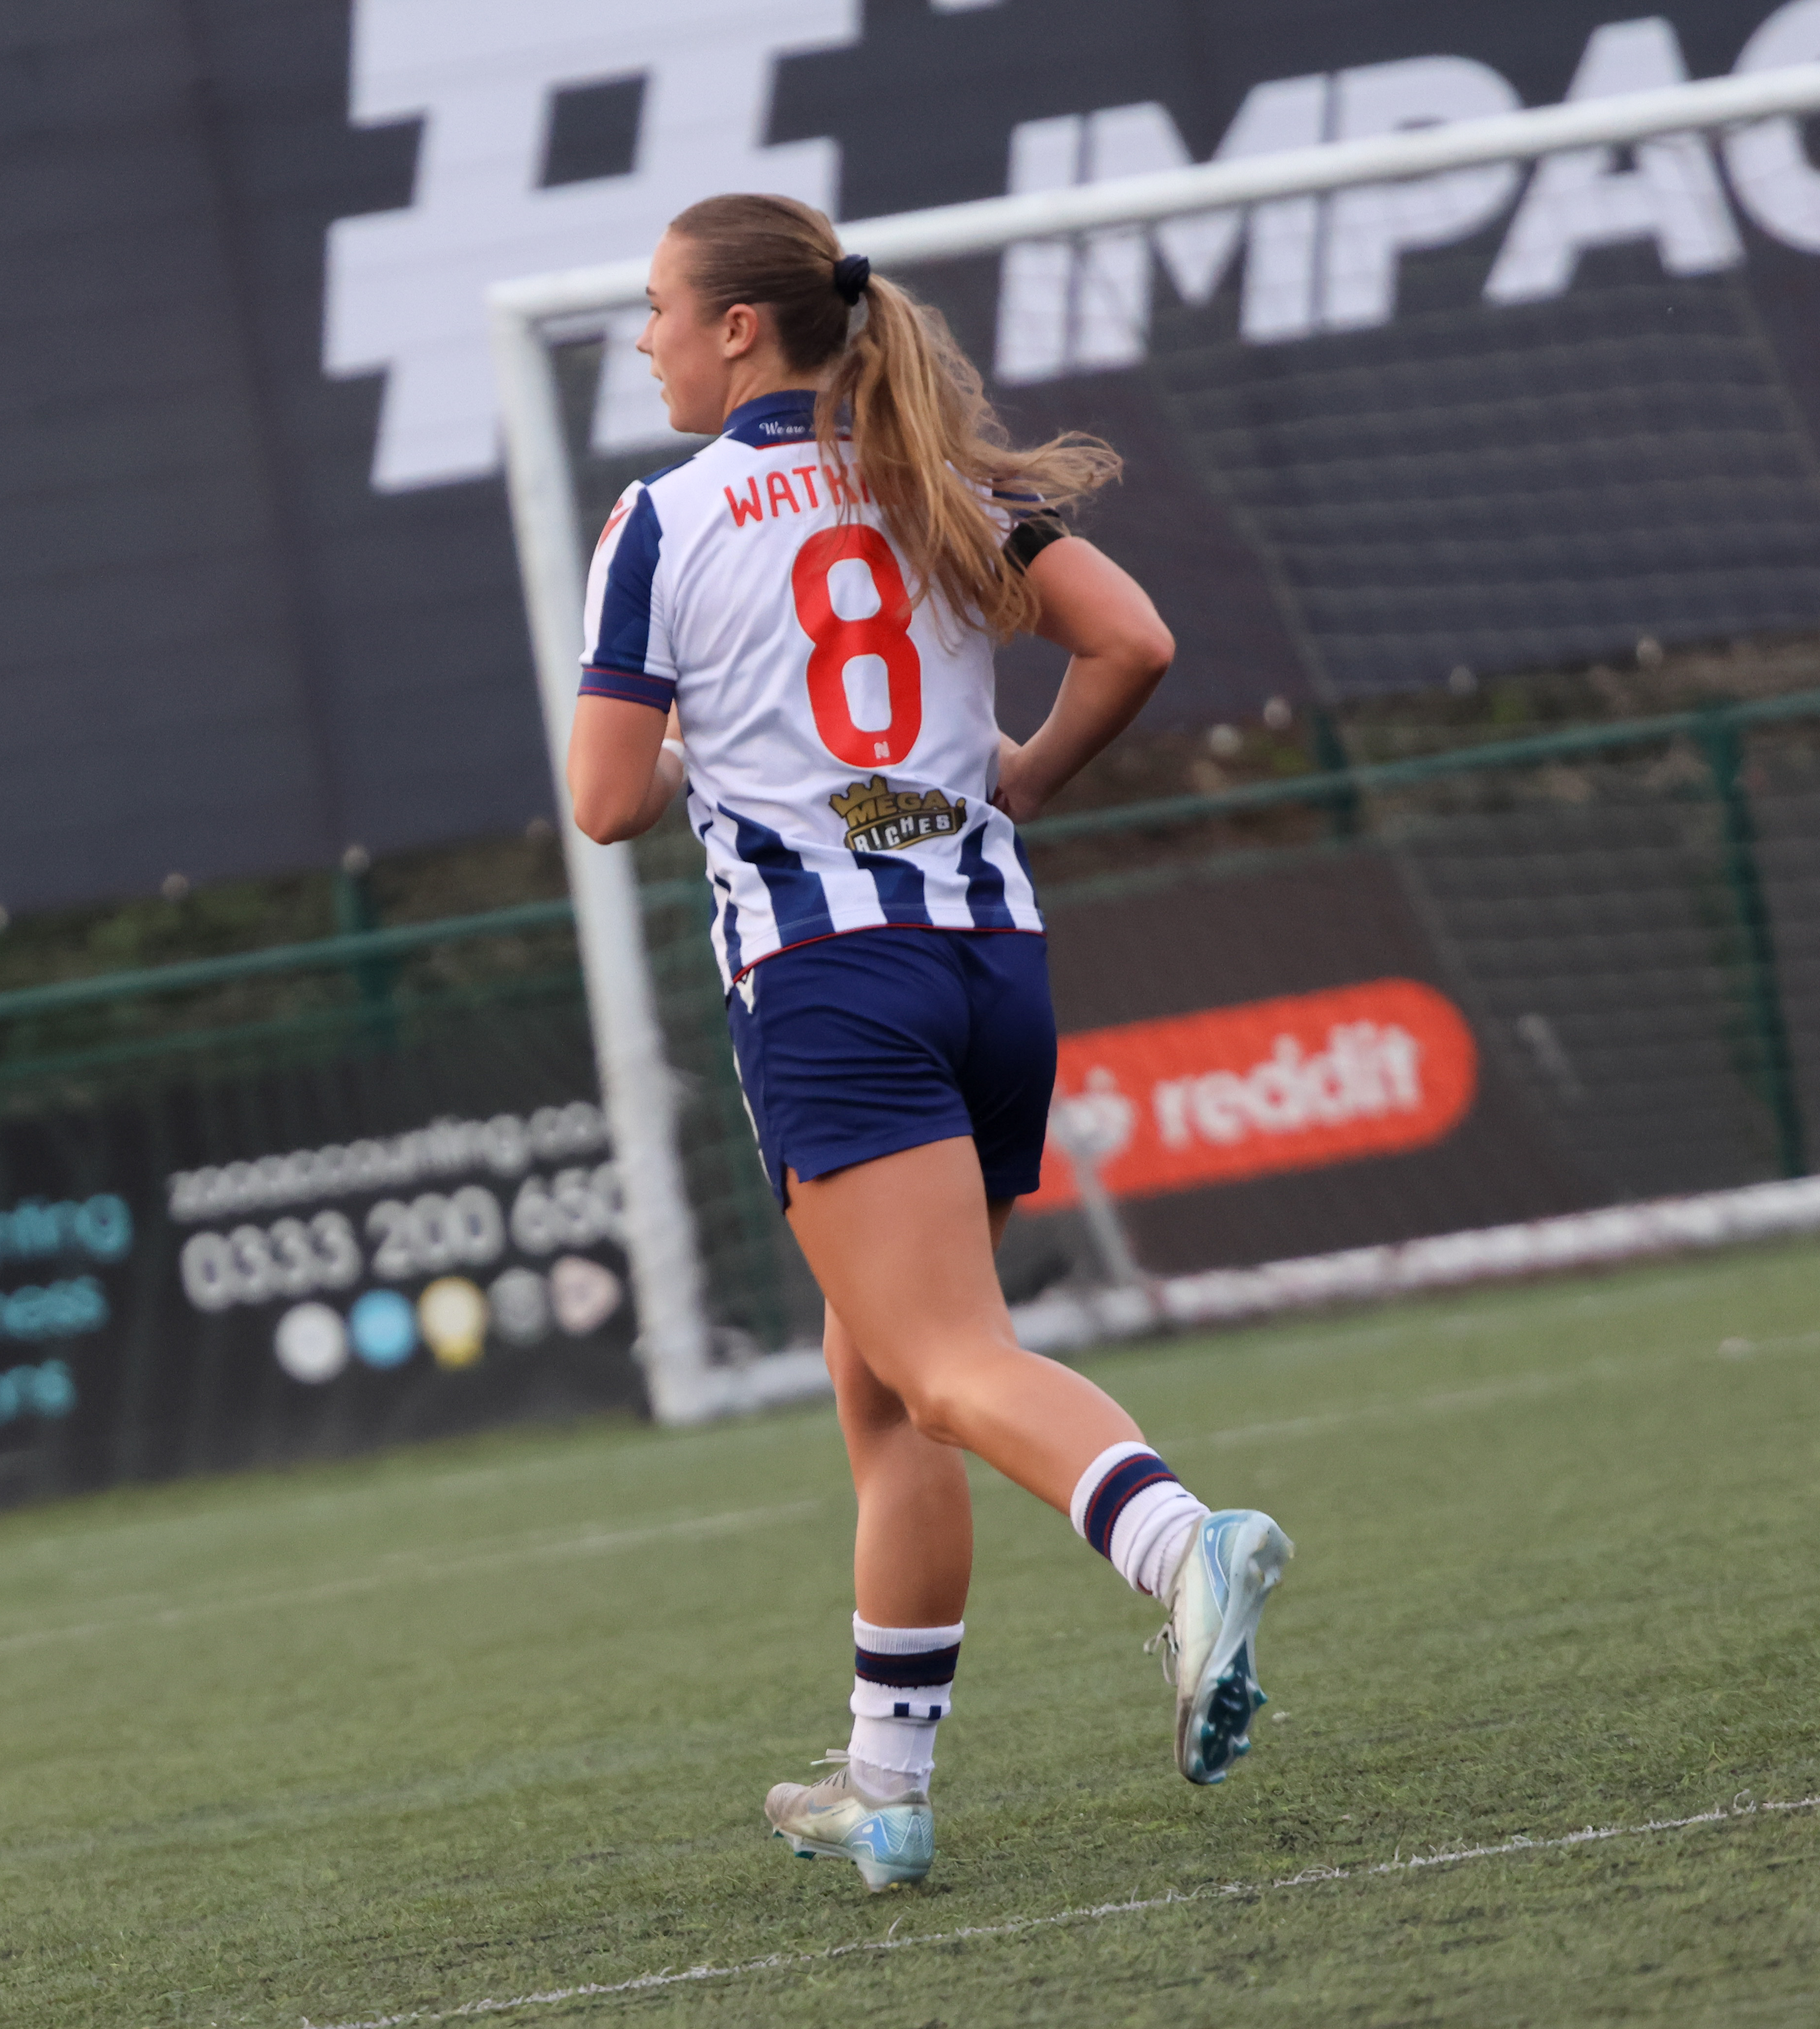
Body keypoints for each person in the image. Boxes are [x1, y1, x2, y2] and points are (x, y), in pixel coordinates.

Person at [567, 196, 1292, 1891]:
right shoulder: (945, 478)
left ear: (742, 329)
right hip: (990, 966)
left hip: (831, 983)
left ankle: (1185, 1543)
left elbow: (605, 800)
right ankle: (885, 1785)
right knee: (887, 1380)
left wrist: (727, 764)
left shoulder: (663, 518)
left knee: (952, 1366)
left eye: (660, 307)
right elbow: (1135, 644)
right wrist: (1018, 780)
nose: (645, 336)